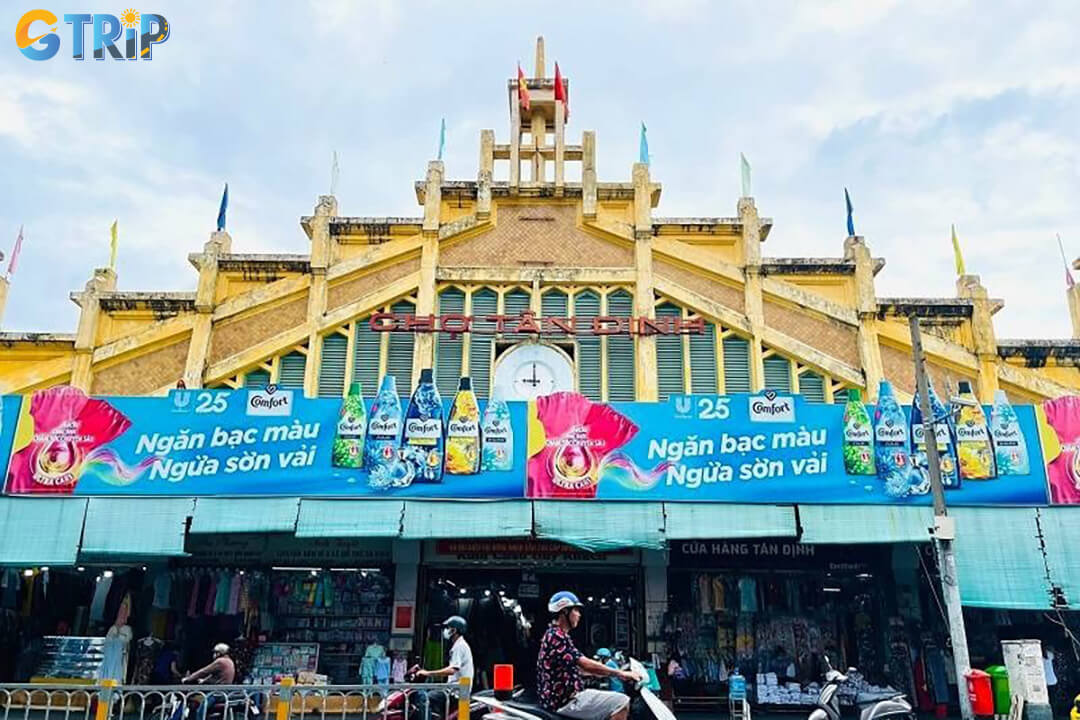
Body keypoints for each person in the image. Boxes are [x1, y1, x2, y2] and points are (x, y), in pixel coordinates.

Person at [537, 592, 640, 720]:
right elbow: (584, 663)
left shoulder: (555, 634)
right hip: (566, 701)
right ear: (564, 611)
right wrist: (620, 673)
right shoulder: (557, 636)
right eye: (575, 610)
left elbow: (576, 668)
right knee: (621, 702)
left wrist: (597, 673)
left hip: (564, 698)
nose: (579, 615)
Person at [417, 616, 474, 686]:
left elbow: (452, 670)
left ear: (454, 630)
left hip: (459, 689)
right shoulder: (459, 644)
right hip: (459, 687)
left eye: (447, 628)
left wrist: (428, 673)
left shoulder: (460, 646)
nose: (445, 630)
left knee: (429, 696)